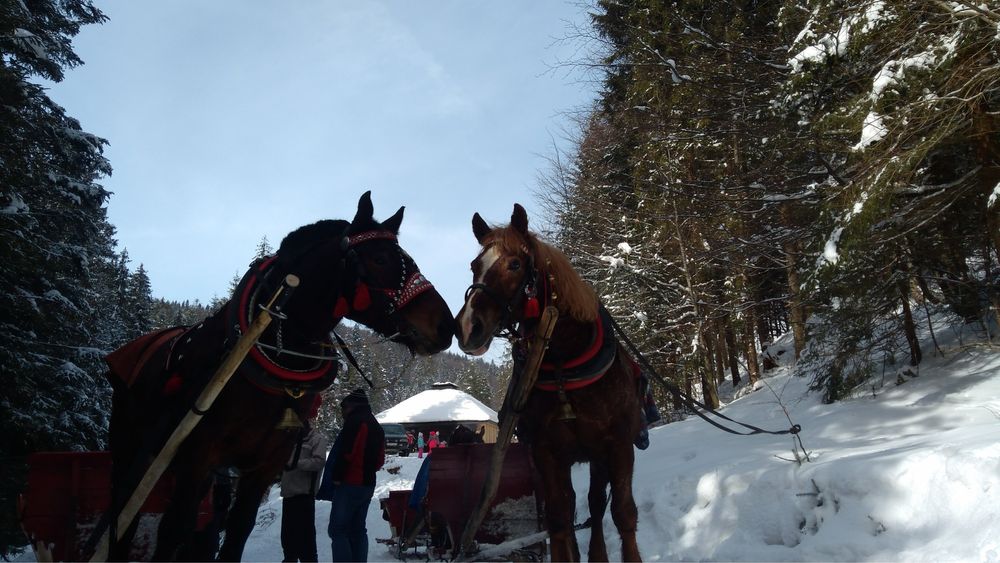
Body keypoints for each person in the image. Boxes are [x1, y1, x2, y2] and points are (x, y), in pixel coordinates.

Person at [316, 388, 385, 562]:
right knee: (358, 529)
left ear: (351, 406)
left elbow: (347, 453)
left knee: (338, 530)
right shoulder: (376, 425)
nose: (343, 413)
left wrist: (337, 477)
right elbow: (379, 460)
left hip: (349, 483)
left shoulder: (355, 422)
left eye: (344, 408)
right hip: (368, 485)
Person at [279, 426, 329, 562]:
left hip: (304, 495)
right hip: (288, 495)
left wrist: (295, 463)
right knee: (288, 538)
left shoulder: (316, 439)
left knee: (306, 540)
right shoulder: (290, 440)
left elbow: (319, 462)